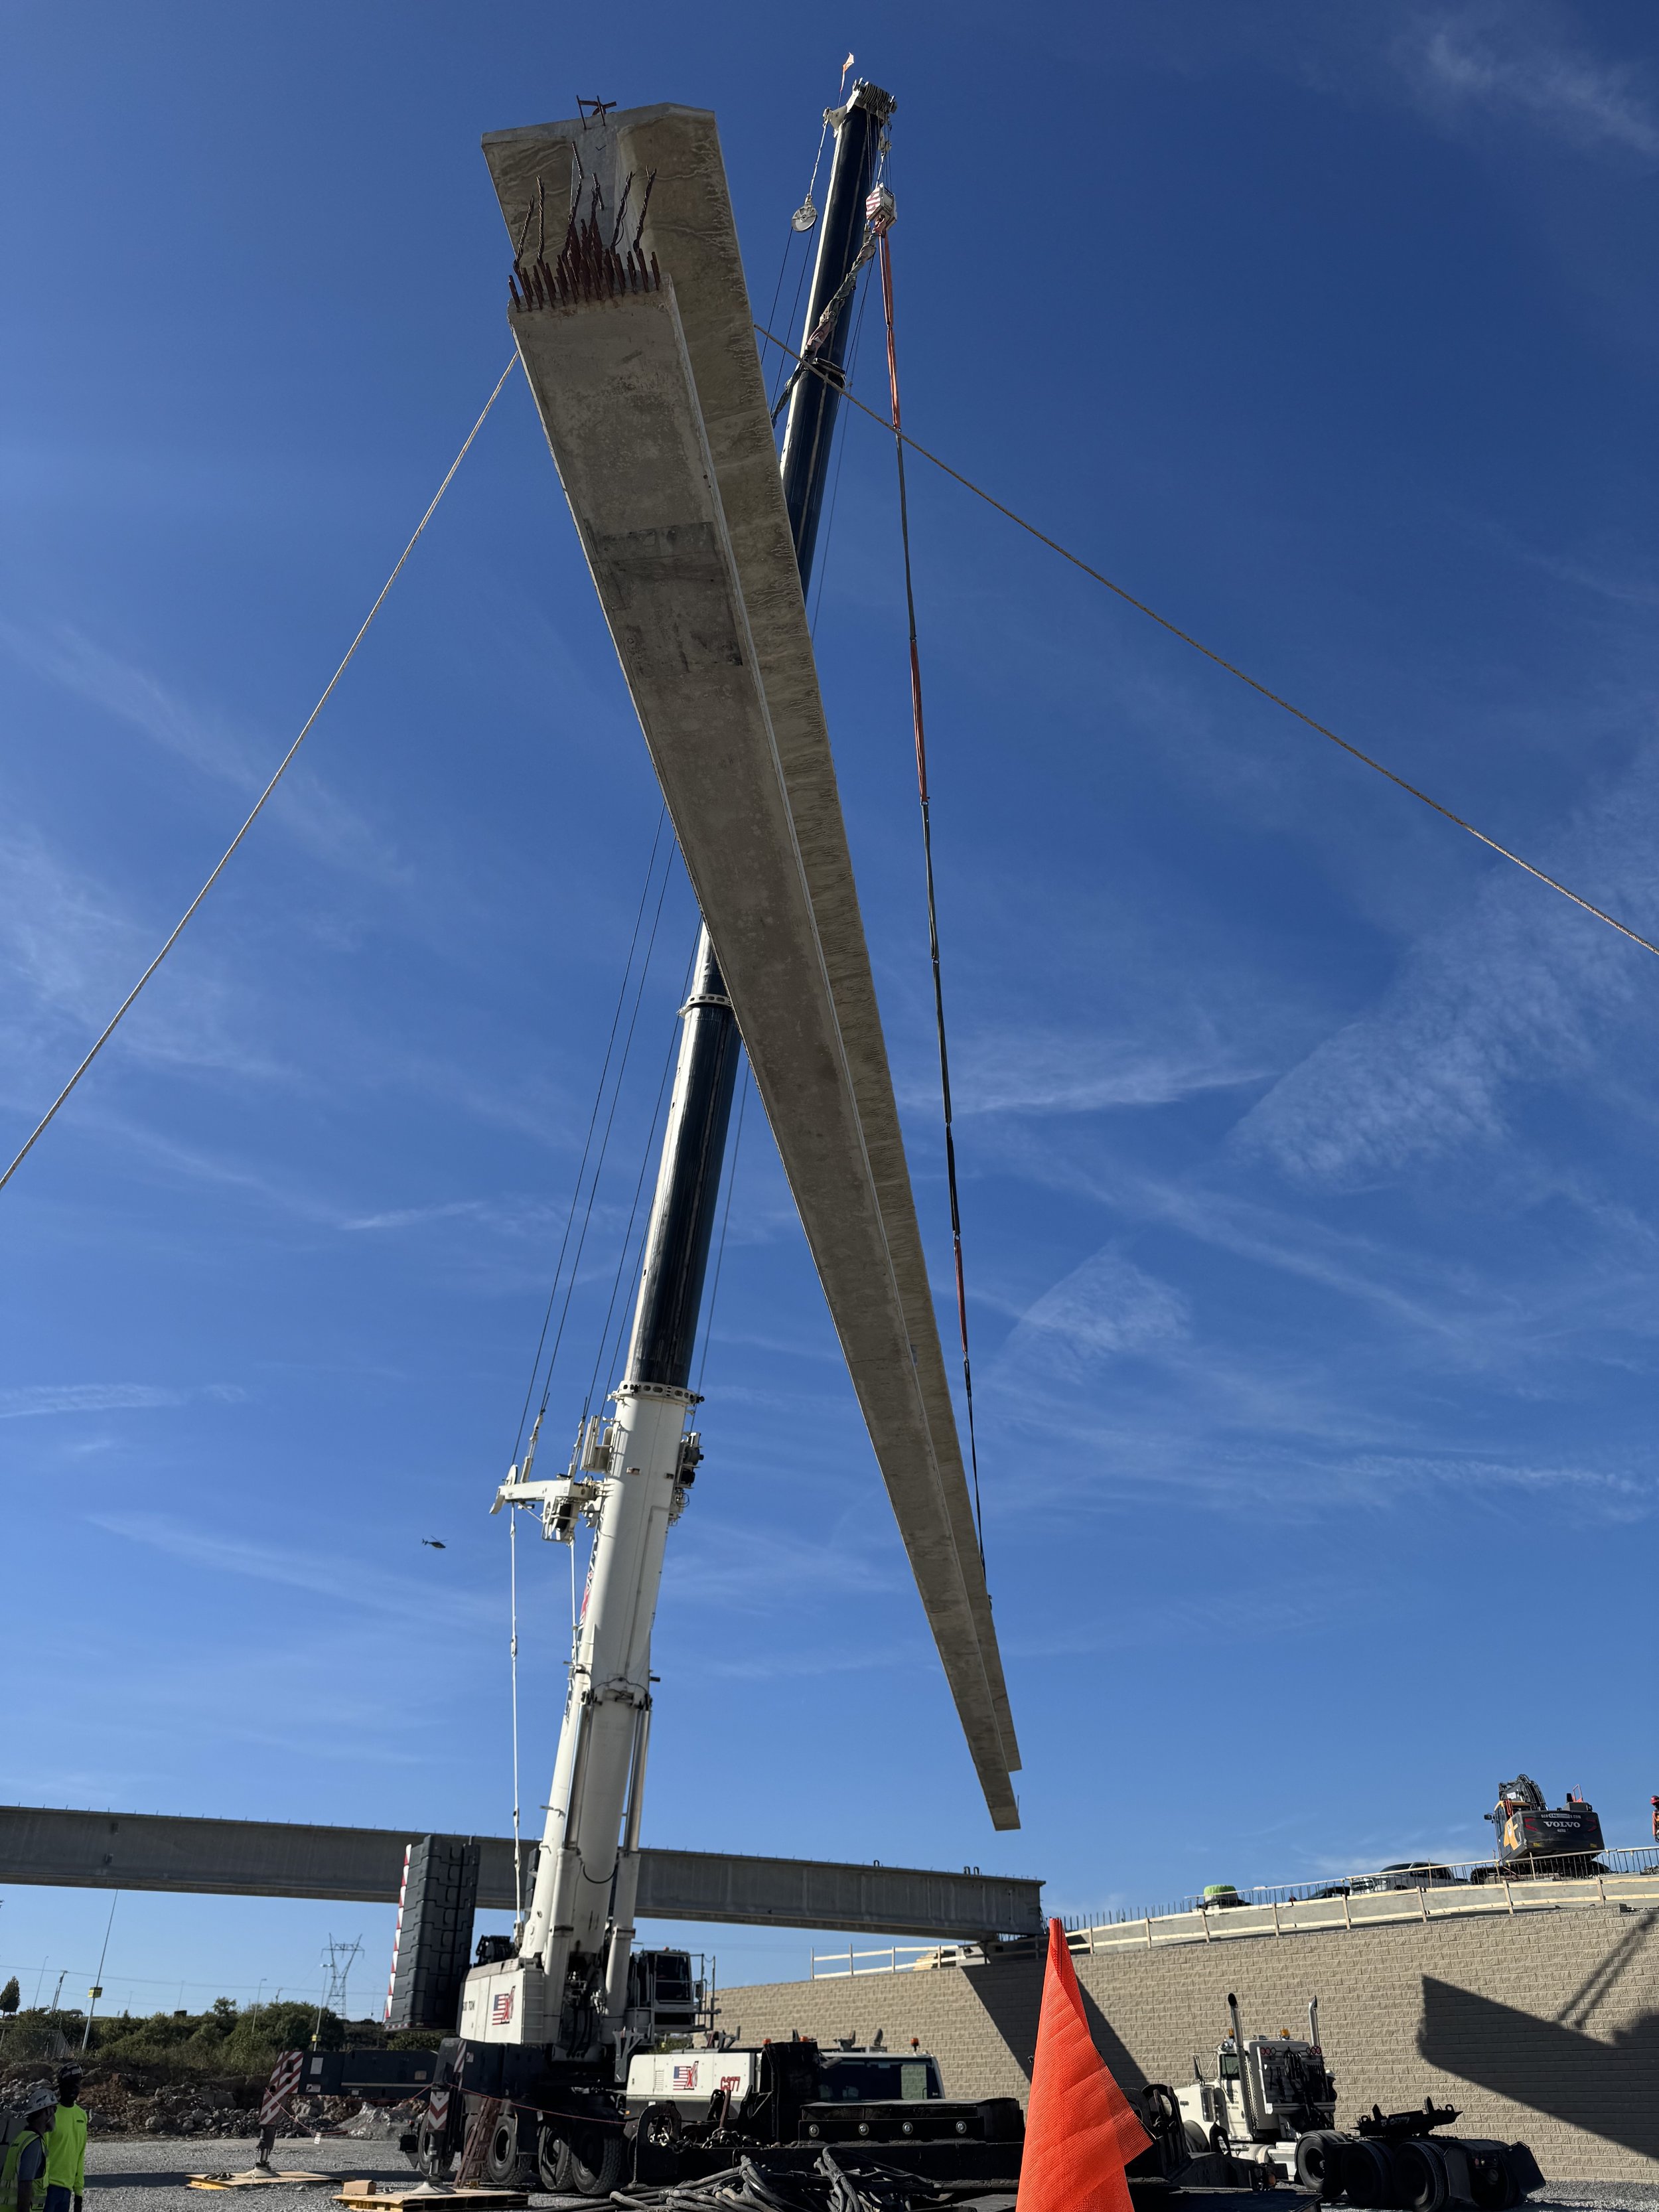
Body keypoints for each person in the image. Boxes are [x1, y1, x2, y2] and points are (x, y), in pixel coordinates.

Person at [42, 2069, 85, 2212]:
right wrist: (44, 2186)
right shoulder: (51, 2113)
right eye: (69, 2086)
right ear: (60, 2088)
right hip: (48, 2188)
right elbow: (44, 2152)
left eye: (76, 2086)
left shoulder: (82, 2116)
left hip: (67, 2190)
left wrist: (78, 2192)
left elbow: (80, 2154)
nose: (73, 2090)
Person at [2, 2097, 55, 2212]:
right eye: (54, 2110)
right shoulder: (34, 2143)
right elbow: (25, 2185)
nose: (55, 2118)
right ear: (47, 2112)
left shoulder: (21, 2139)